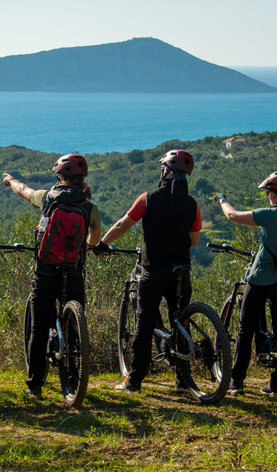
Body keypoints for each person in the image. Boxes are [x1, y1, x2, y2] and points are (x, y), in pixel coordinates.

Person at [95, 149, 201, 394]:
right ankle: (183, 381)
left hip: (154, 272)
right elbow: (193, 241)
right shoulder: (193, 205)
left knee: (143, 327)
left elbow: (123, 224)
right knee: (181, 323)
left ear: (164, 171)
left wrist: (103, 244)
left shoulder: (148, 198)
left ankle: (134, 382)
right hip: (181, 274)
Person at [2, 154, 101, 399]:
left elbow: (23, 191)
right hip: (74, 274)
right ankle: (75, 380)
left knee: (38, 329)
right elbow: (95, 239)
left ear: (60, 176)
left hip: (46, 272)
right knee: (76, 329)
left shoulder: (47, 198)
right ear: (83, 180)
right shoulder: (90, 208)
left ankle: (35, 385)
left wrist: (10, 180)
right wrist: (85, 245)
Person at [214, 170, 277, 397]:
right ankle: (276, 384)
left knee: (245, 328)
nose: (268, 197)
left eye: (270, 192)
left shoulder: (271, 215)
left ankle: (237, 381)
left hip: (262, 278)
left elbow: (232, 216)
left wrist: (222, 200)